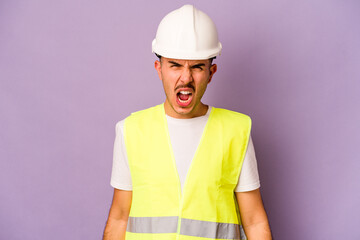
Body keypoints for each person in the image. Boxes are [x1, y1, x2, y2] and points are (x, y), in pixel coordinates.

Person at [103, 4, 272, 240]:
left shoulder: (236, 131)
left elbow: (254, 221)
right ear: (159, 69)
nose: (186, 78)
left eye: (197, 67)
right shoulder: (131, 131)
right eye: (174, 65)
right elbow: (119, 216)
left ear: (211, 72)